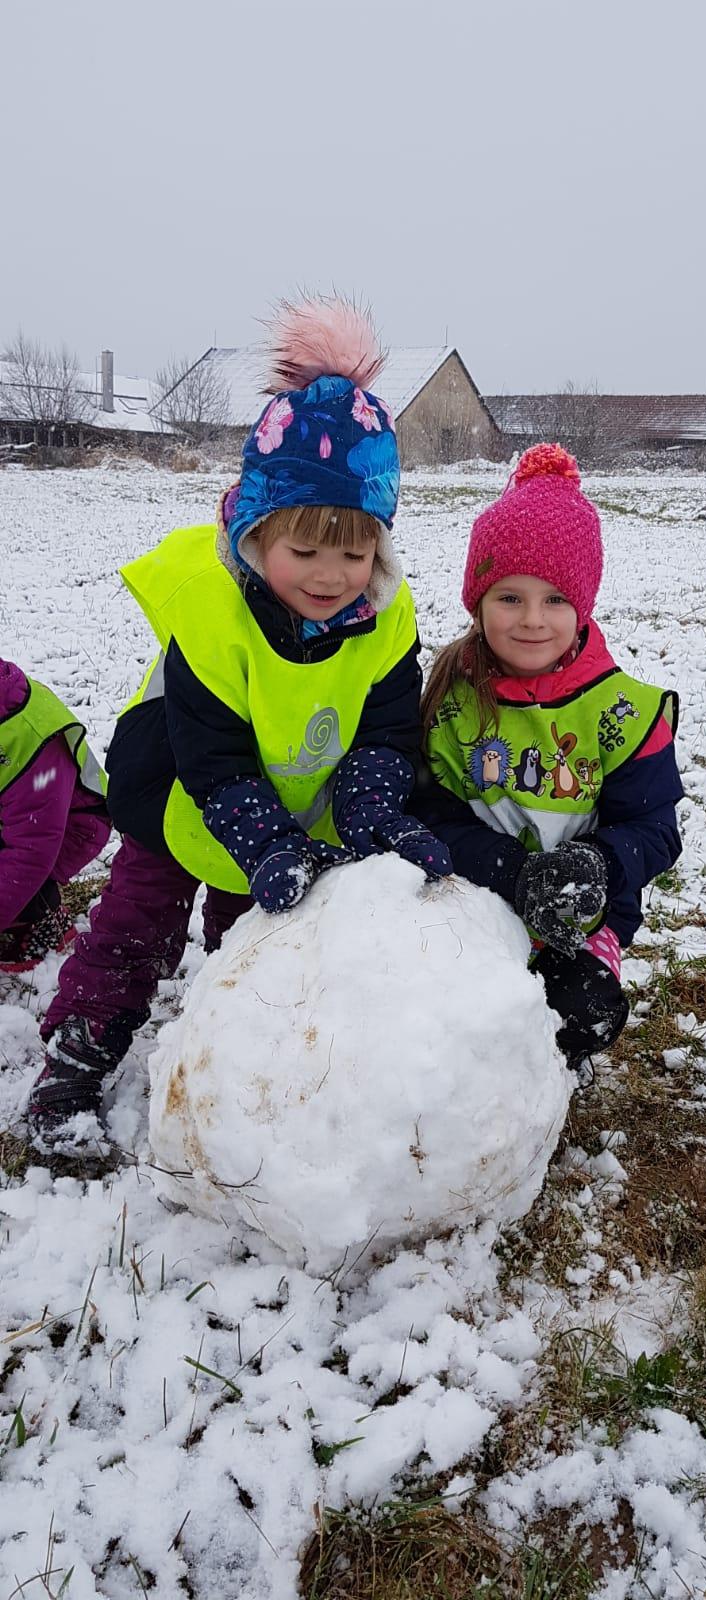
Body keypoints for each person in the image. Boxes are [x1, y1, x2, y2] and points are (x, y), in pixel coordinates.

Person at [28, 296, 450, 1132]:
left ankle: (240, 1060)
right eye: (305, 550)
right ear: (257, 534)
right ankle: (78, 1057)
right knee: (137, 925)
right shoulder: (214, 615)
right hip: (184, 796)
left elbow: (388, 729)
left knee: (258, 932)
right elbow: (213, 756)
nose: (330, 575)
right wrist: (266, 841)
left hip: (291, 797)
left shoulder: (383, 617)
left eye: (354, 551)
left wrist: (369, 810)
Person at [416, 443, 683, 1082]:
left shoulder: (623, 712)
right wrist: (504, 869)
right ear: (477, 601)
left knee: (579, 1012)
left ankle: (542, 1083)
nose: (533, 621)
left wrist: (594, 865)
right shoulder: (451, 703)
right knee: (441, 1012)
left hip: (580, 917)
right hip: (473, 898)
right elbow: (428, 811)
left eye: (556, 600)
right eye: (509, 597)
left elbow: (655, 830)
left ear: (582, 604)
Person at [0, 660, 110, 972]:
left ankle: (41, 924)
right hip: (20, 819)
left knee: (23, 874)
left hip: (71, 830)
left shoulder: (25, 735)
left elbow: (30, 851)